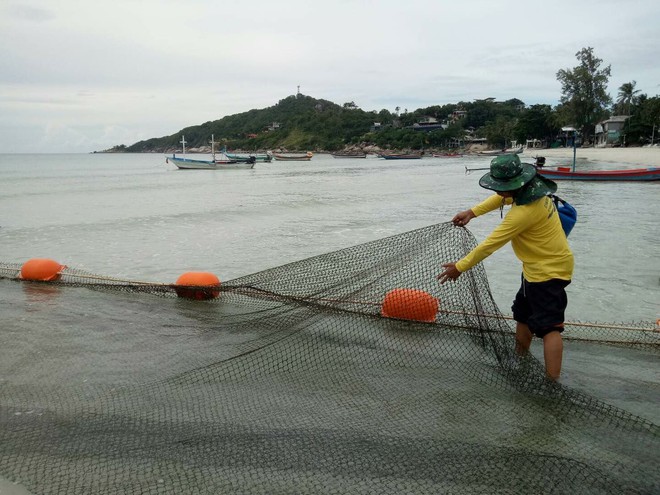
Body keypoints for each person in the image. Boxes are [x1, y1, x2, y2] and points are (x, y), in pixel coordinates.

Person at [437, 154, 573, 380]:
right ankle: (520, 359)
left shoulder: (524, 213)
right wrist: (472, 212)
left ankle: (552, 383)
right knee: (522, 315)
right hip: (534, 268)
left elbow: (490, 244)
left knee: (550, 328)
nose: (498, 192)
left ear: (515, 184)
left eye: (502, 187)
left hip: (549, 273)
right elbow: (502, 200)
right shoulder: (530, 191)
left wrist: (459, 267)